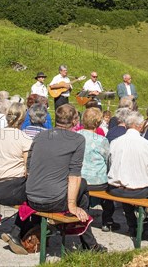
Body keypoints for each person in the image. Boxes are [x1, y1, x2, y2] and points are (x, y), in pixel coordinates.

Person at [26, 104, 106, 253]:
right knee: (82, 188)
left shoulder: (40, 135)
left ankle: (45, 230)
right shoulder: (77, 139)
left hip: (31, 197)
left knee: (78, 189)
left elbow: (29, 169)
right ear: (75, 121)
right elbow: (74, 175)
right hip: (53, 200)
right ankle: (88, 242)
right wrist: (72, 206)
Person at [0, 103, 34, 254]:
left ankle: (23, 230)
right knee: (38, 195)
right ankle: (17, 231)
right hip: (10, 190)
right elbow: (29, 169)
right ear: (23, 118)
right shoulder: (25, 139)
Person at [108, 111, 148, 239]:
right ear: (140, 125)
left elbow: (111, 166)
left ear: (126, 125)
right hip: (139, 191)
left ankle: (132, 225)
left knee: (127, 183)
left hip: (116, 190)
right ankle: (147, 227)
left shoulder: (115, 143)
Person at [77, 108, 119, 233]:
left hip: (78, 179)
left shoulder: (76, 136)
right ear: (98, 122)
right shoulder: (102, 140)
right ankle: (107, 221)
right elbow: (108, 160)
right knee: (109, 194)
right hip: (97, 182)